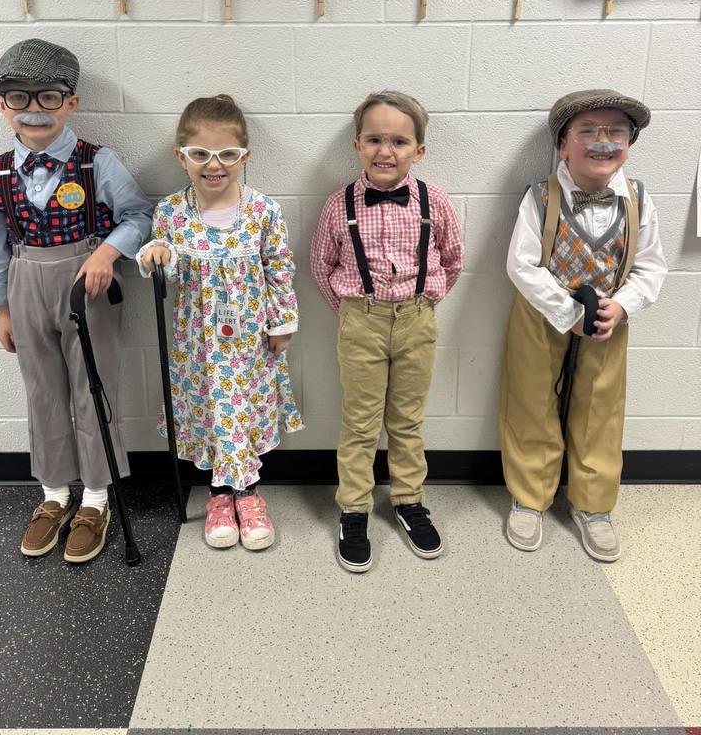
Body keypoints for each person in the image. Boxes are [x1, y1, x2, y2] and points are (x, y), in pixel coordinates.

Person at [0, 39, 152, 563]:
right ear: (1, 104)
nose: (33, 109)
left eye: (49, 96)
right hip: (25, 279)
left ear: (71, 103)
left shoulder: (97, 162)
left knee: (91, 387)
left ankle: (96, 498)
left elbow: (138, 216)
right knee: (42, 391)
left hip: (87, 284)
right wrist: (2, 308)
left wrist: (105, 253)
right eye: (17, 96)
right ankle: (54, 493)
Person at [500, 89, 667, 562]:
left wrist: (622, 305)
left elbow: (651, 266)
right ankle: (530, 496)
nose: (602, 141)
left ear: (629, 143)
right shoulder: (540, 197)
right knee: (531, 401)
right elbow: (522, 265)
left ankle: (593, 505)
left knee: (601, 409)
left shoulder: (638, 200)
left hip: (608, 319)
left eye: (615, 131)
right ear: (563, 143)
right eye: (588, 131)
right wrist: (569, 312)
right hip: (543, 316)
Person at [137, 95, 303, 551]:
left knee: (243, 411)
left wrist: (282, 321)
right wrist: (155, 254)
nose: (215, 165)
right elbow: (165, 268)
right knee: (211, 413)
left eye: (227, 154)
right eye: (201, 154)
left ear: (244, 157)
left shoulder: (263, 211)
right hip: (199, 344)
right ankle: (217, 494)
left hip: (251, 341)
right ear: (181, 156)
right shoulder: (171, 213)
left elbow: (280, 266)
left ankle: (248, 495)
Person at [311, 91, 463, 572]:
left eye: (399, 141)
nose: (385, 151)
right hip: (361, 319)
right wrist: (355, 313)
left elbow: (454, 260)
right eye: (374, 139)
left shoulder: (432, 200)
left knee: (407, 419)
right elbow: (321, 267)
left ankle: (408, 500)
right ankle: (354, 509)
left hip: (418, 319)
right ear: (357, 145)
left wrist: (424, 303)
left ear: (418, 151)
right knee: (359, 421)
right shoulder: (340, 205)